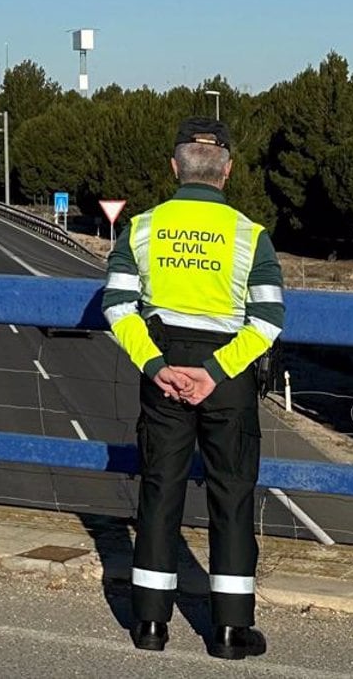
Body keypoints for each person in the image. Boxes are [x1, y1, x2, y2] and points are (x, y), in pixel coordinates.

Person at [103, 117, 285, 661]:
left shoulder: (140, 229)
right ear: (227, 171)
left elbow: (117, 305)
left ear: (174, 167)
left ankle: (150, 625)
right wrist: (216, 372)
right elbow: (268, 319)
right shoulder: (251, 236)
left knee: (160, 491)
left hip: (163, 375)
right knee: (232, 496)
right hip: (225, 380)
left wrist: (158, 365)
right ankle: (230, 630)